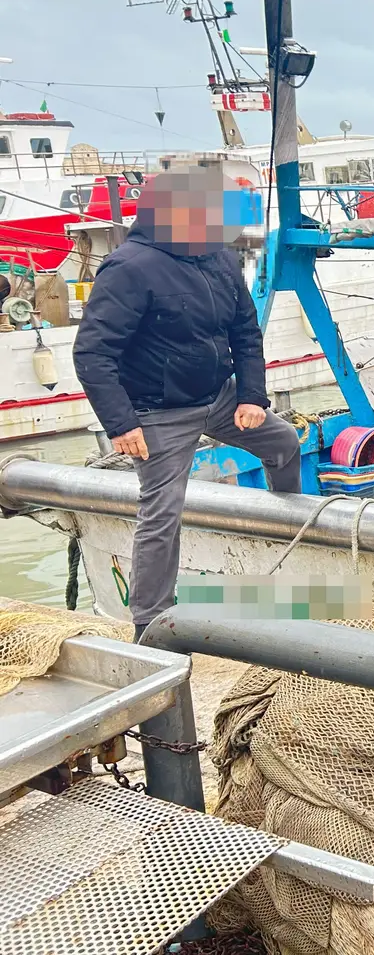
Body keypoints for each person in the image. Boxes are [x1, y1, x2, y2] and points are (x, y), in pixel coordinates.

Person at [74, 163, 302, 640]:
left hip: (218, 397)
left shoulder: (218, 257)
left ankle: (290, 524)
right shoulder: (130, 268)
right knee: (162, 511)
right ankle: (149, 624)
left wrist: (252, 395)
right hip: (157, 413)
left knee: (284, 442)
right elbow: (93, 353)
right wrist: (121, 425)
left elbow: (244, 331)